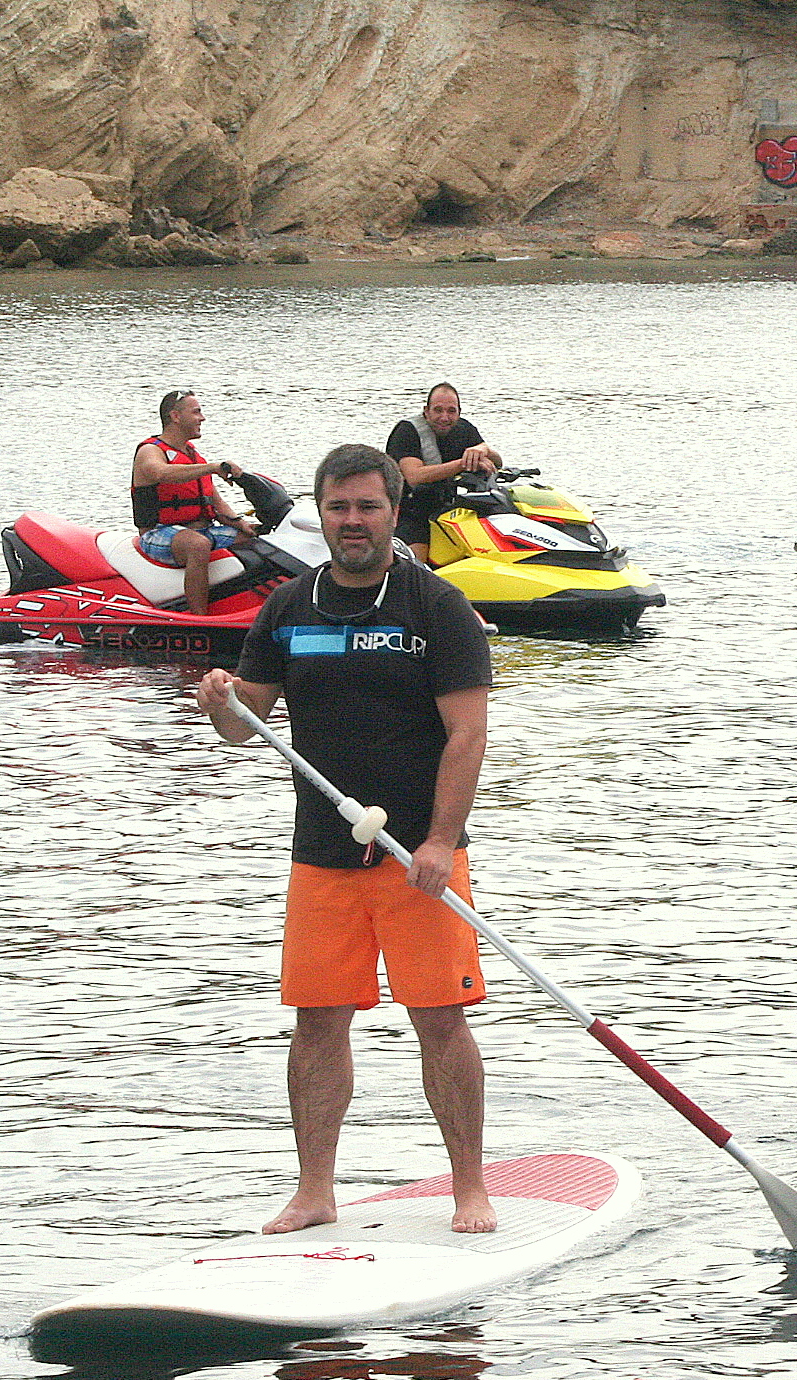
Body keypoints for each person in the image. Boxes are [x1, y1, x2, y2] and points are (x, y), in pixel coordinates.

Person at [195, 443, 497, 1235]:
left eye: (368, 506)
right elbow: (245, 726)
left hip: (420, 858)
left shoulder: (437, 608)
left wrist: (440, 842)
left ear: (394, 512)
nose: (352, 521)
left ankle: (470, 1189)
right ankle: (314, 1192)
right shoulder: (289, 609)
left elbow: (467, 735)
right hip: (323, 856)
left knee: (440, 1020)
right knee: (318, 1021)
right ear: (320, 516)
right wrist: (223, 701)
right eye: (338, 508)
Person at [131, 391, 255, 617]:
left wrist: (242, 524)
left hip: (203, 530)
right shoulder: (150, 451)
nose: (202, 418)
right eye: (196, 412)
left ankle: (243, 605)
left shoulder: (193, 456)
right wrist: (213, 468)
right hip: (158, 533)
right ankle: (200, 617)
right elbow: (161, 473)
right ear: (176, 416)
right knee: (197, 545)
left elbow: (216, 502)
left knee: (258, 542)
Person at [386, 383, 503, 559]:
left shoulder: (464, 429)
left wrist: (483, 449)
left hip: (447, 509)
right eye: (438, 410)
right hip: (408, 512)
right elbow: (415, 476)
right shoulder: (407, 432)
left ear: (459, 412)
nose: (444, 417)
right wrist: (463, 463)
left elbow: (498, 462)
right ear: (426, 411)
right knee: (418, 558)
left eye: (451, 411)